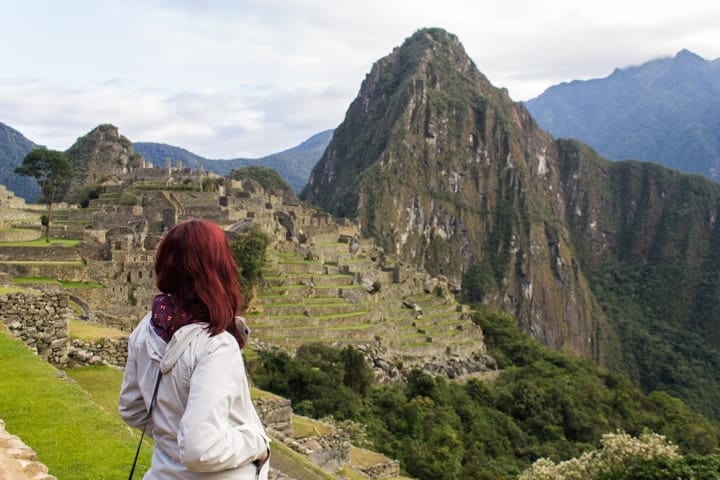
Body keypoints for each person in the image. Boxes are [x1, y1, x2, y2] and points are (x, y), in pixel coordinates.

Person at [119, 219, 270, 479]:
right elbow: (200, 451)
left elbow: (132, 410)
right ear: (220, 268)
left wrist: (172, 436)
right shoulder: (216, 345)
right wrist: (256, 445)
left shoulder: (147, 328)